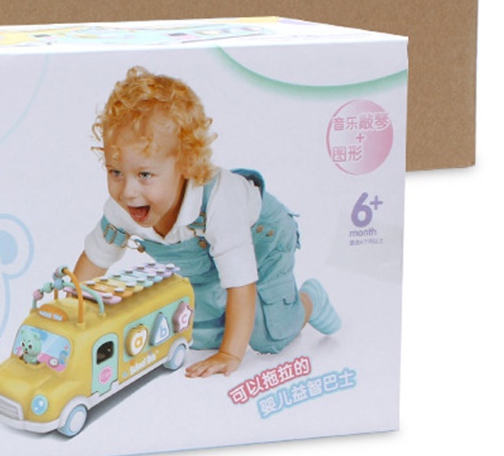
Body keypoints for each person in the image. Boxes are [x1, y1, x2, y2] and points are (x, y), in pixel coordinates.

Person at [72, 67, 340, 378]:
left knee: (268, 336)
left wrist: (230, 353)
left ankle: (309, 301)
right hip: (210, 260)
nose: (128, 191)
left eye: (144, 174)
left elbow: (241, 282)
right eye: (115, 172)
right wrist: (70, 313)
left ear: (186, 165)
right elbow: (93, 262)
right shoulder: (122, 208)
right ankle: (226, 312)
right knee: (195, 332)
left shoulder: (218, 203)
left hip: (262, 241)